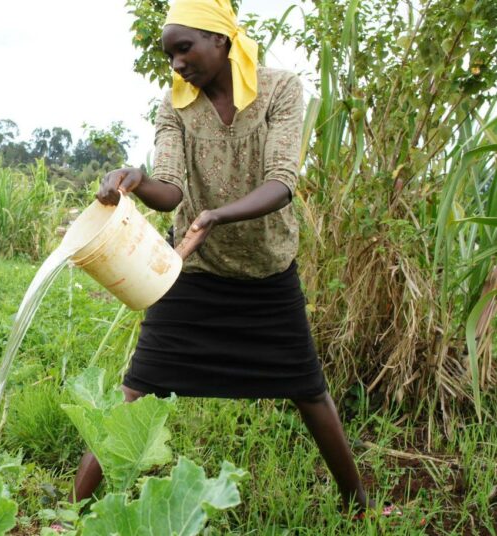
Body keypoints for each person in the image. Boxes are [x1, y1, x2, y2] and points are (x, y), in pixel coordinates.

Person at [64, 0, 395, 525]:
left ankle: (360, 507)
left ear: (221, 40)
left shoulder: (280, 90)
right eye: (169, 53)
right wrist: (135, 179)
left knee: (309, 392)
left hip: (267, 273)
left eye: (184, 48)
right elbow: (170, 192)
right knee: (138, 384)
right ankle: (72, 513)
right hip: (193, 274)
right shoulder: (174, 106)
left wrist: (217, 214)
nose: (176, 63)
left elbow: (282, 181)